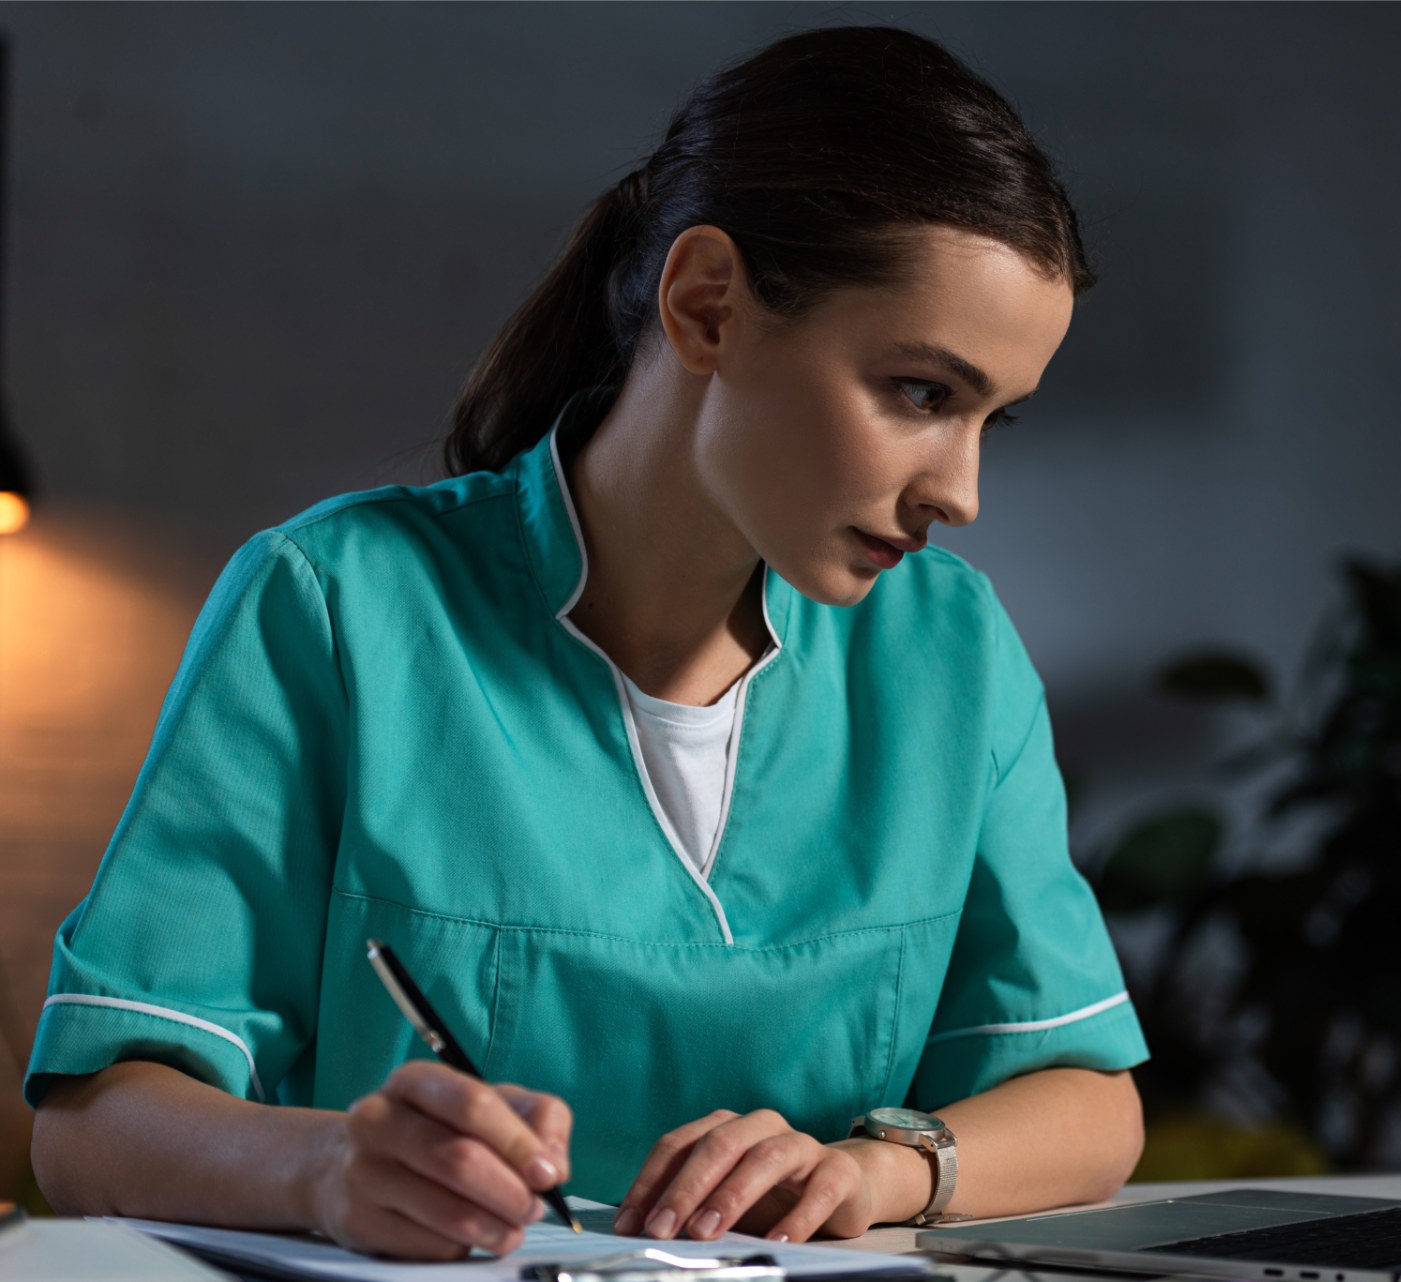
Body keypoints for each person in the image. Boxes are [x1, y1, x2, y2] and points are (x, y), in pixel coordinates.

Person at [25, 23, 1149, 1261]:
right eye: (922, 395)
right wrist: (332, 1167)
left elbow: (1092, 1101)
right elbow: (87, 1128)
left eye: (995, 416)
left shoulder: (952, 654)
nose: (963, 491)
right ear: (708, 305)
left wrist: (877, 1169)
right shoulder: (332, 604)